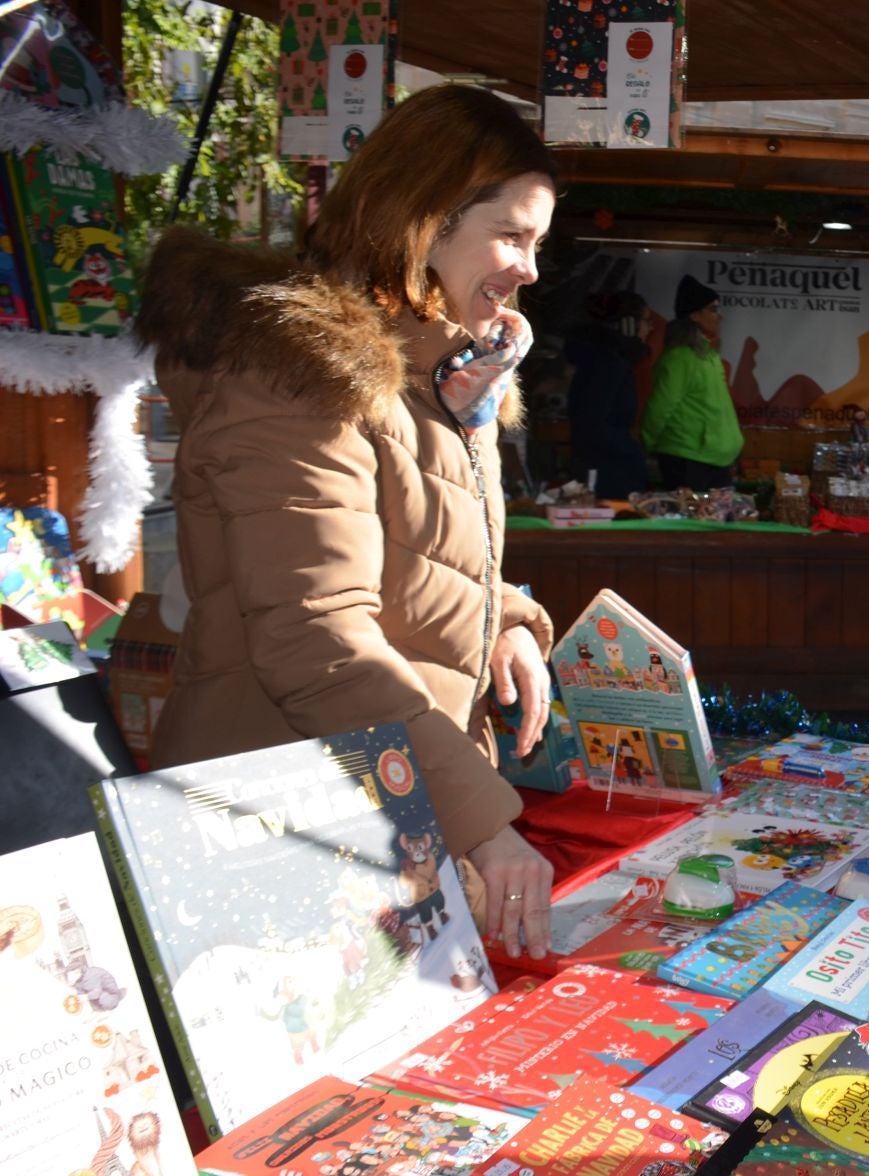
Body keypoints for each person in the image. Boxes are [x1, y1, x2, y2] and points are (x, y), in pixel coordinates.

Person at [135, 85, 561, 958]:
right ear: (424, 220)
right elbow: (316, 637)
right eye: (512, 236)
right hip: (276, 839)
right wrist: (481, 822)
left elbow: (417, 558)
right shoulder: (299, 375)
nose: (529, 269)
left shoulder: (444, 375)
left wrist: (504, 623)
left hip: (381, 819)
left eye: (538, 243)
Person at [643, 275, 743, 491]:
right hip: (688, 457)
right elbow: (659, 409)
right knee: (688, 513)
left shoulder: (709, 356)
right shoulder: (678, 358)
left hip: (715, 457)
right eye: (713, 309)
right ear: (695, 315)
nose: (720, 316)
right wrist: (646, 444)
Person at [565, 290, 651, 499]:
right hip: (608, 474)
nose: (650, 328)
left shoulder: (606, 360)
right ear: (629, 324)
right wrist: (632, 450)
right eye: (646, 321)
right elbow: (592, 423)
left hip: (609, 467)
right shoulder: (607, 363)